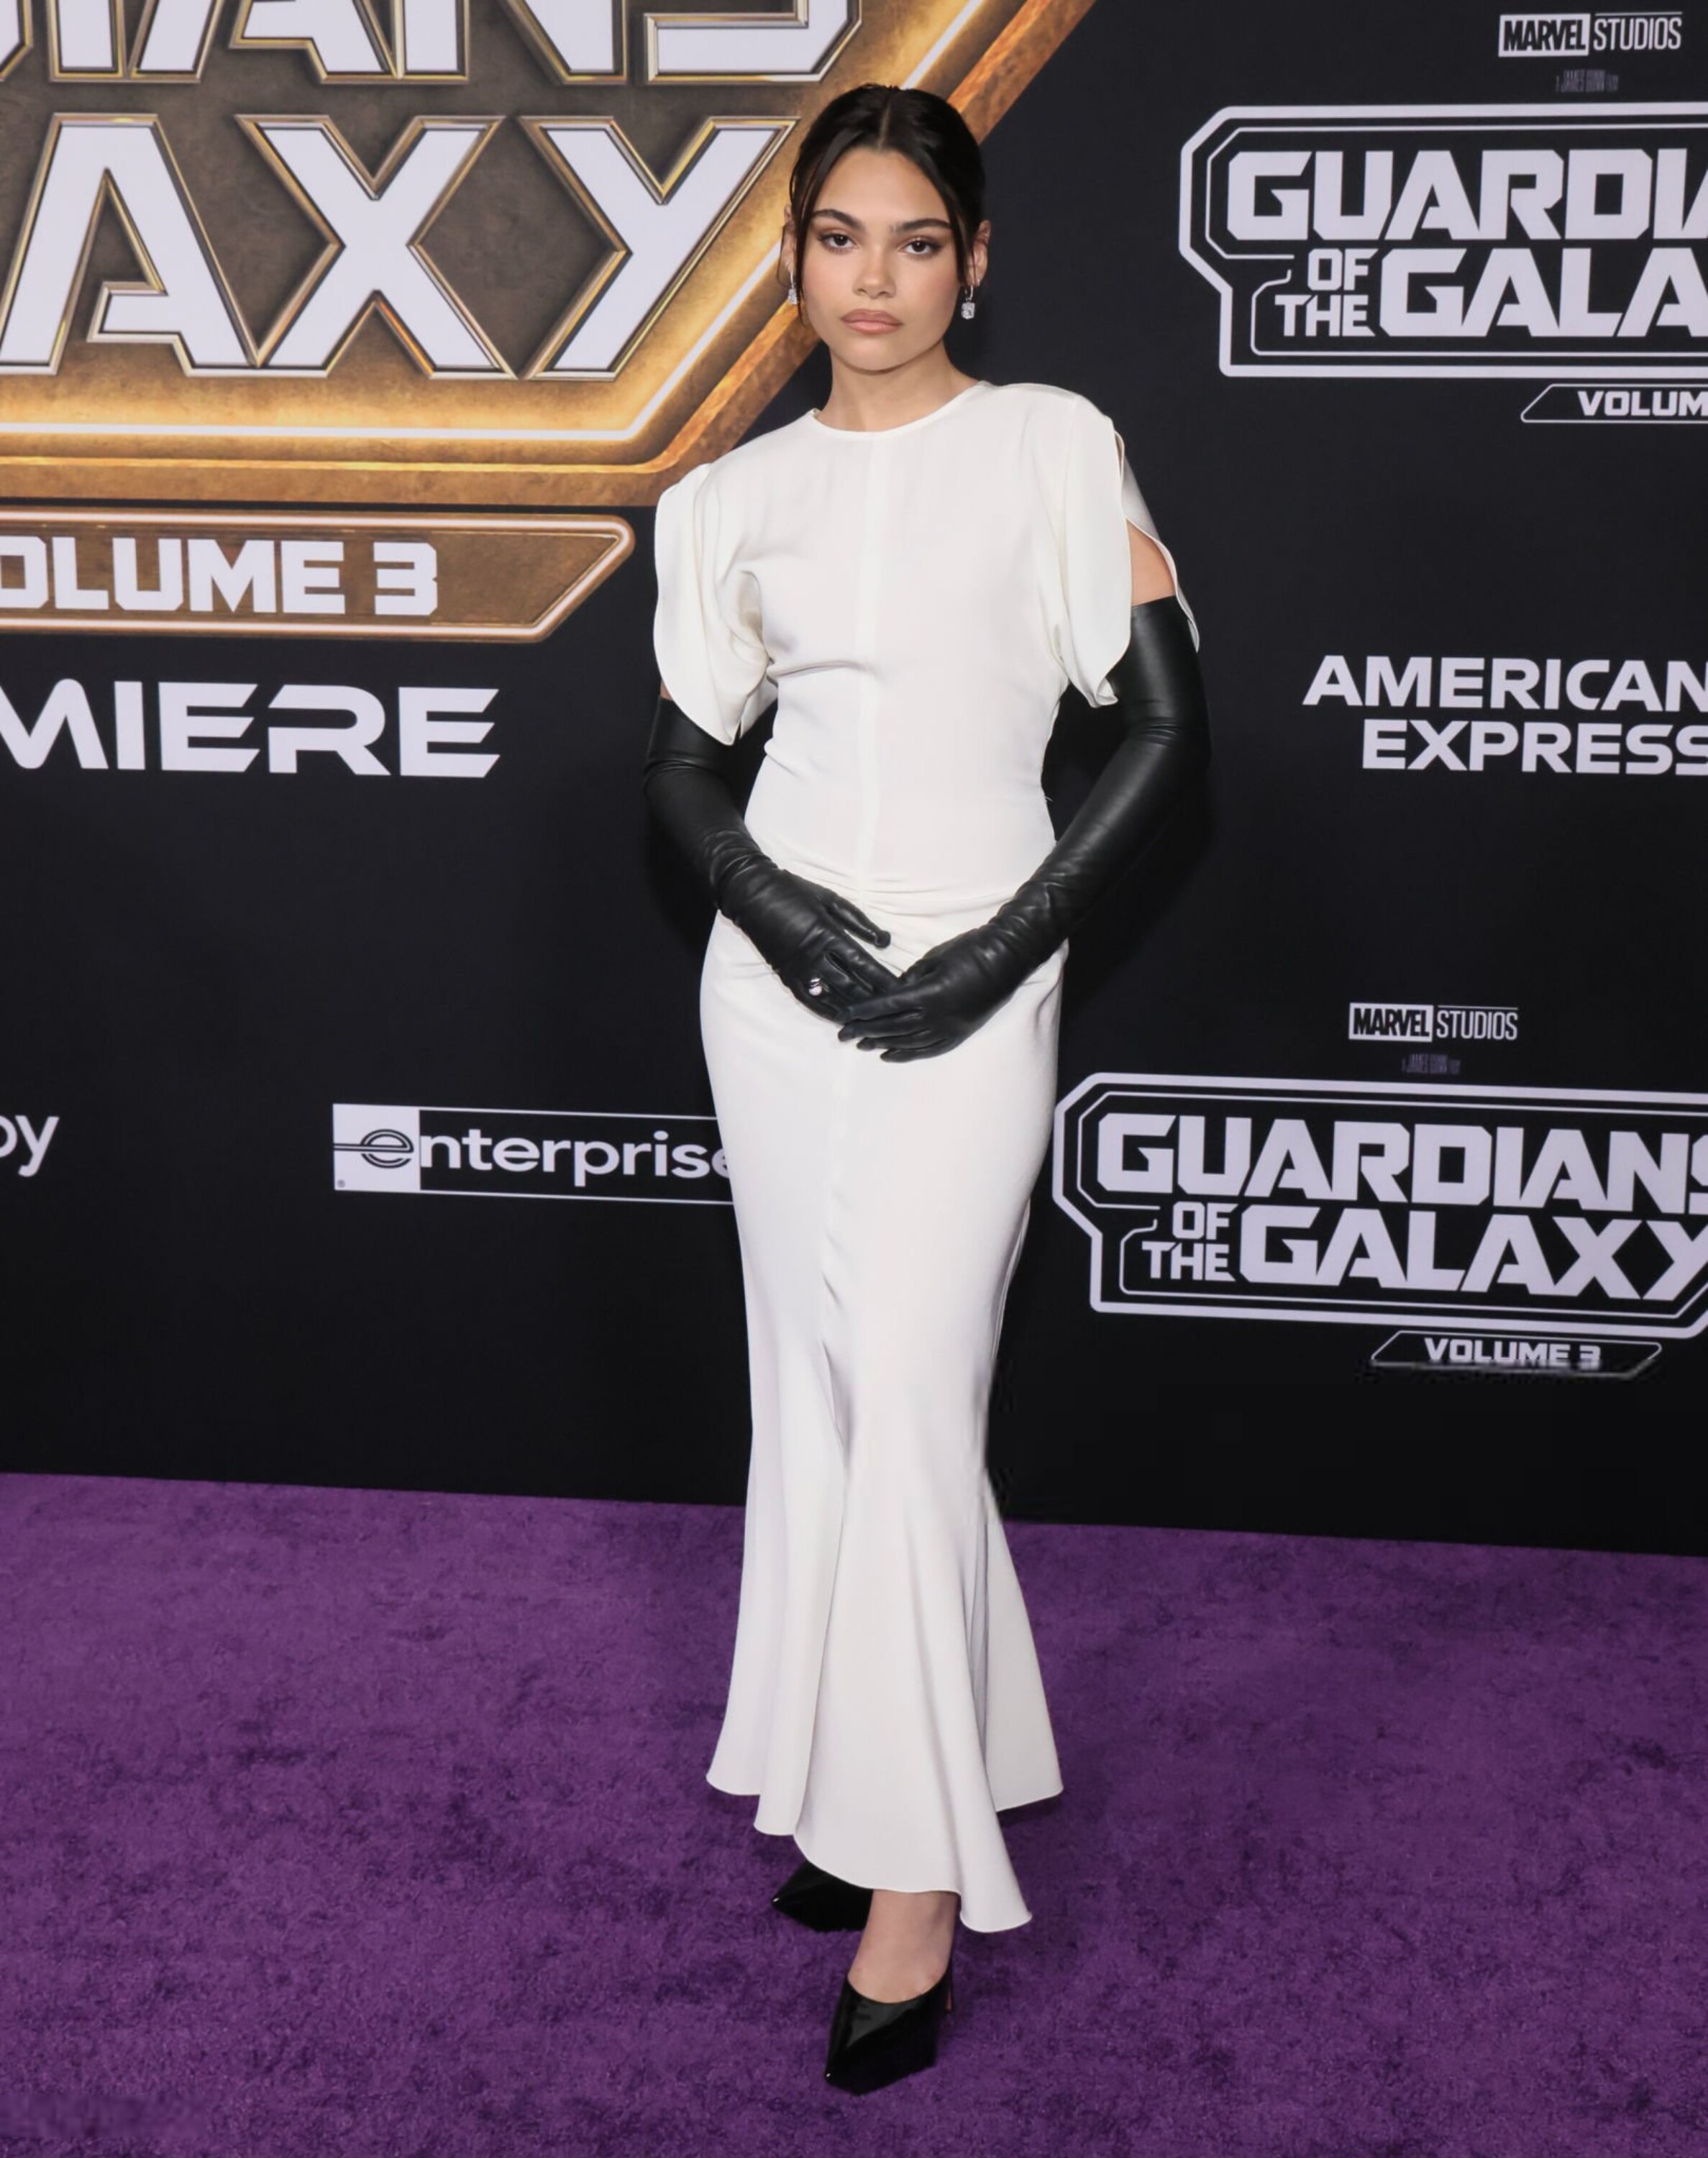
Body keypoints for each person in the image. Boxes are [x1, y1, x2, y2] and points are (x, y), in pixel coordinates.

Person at [643, 83, 1210, 2094]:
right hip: (773, 994)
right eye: (837, 238)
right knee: (818, 1390)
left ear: (975, 261)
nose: (871, 279)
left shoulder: (1052, 446)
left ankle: (914, 1880)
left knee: (908, 1383)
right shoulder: (730, 498)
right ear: (794, 263)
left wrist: (1000, 946)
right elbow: (683, 766)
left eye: (914, 240)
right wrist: (775, 910)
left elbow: (1166, 728)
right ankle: (852, 1774)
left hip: (979, 982)